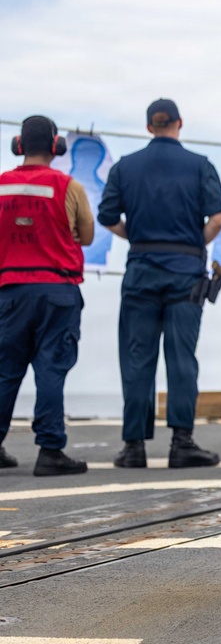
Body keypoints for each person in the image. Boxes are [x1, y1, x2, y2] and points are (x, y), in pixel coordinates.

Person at [98, 99, 221, 469]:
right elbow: (216, 219)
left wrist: (137, 237)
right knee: (182, 358)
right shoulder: (200, 166)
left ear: (148, 127)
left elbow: (108, 217)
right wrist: (191, 245)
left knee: (138, 358)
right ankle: (182, 443)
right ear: (179, 123)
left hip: (141, 270)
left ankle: (134, 447)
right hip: (185, 272)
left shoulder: (125, 167)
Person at [0, 116, 92, 476]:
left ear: (19, 146)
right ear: (56, 146)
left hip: (10, 293)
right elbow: (85, 236)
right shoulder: (69, 186)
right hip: (57, 290)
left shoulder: (2, 185)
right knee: (51, 369)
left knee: (5, 371)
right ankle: (50, 450)